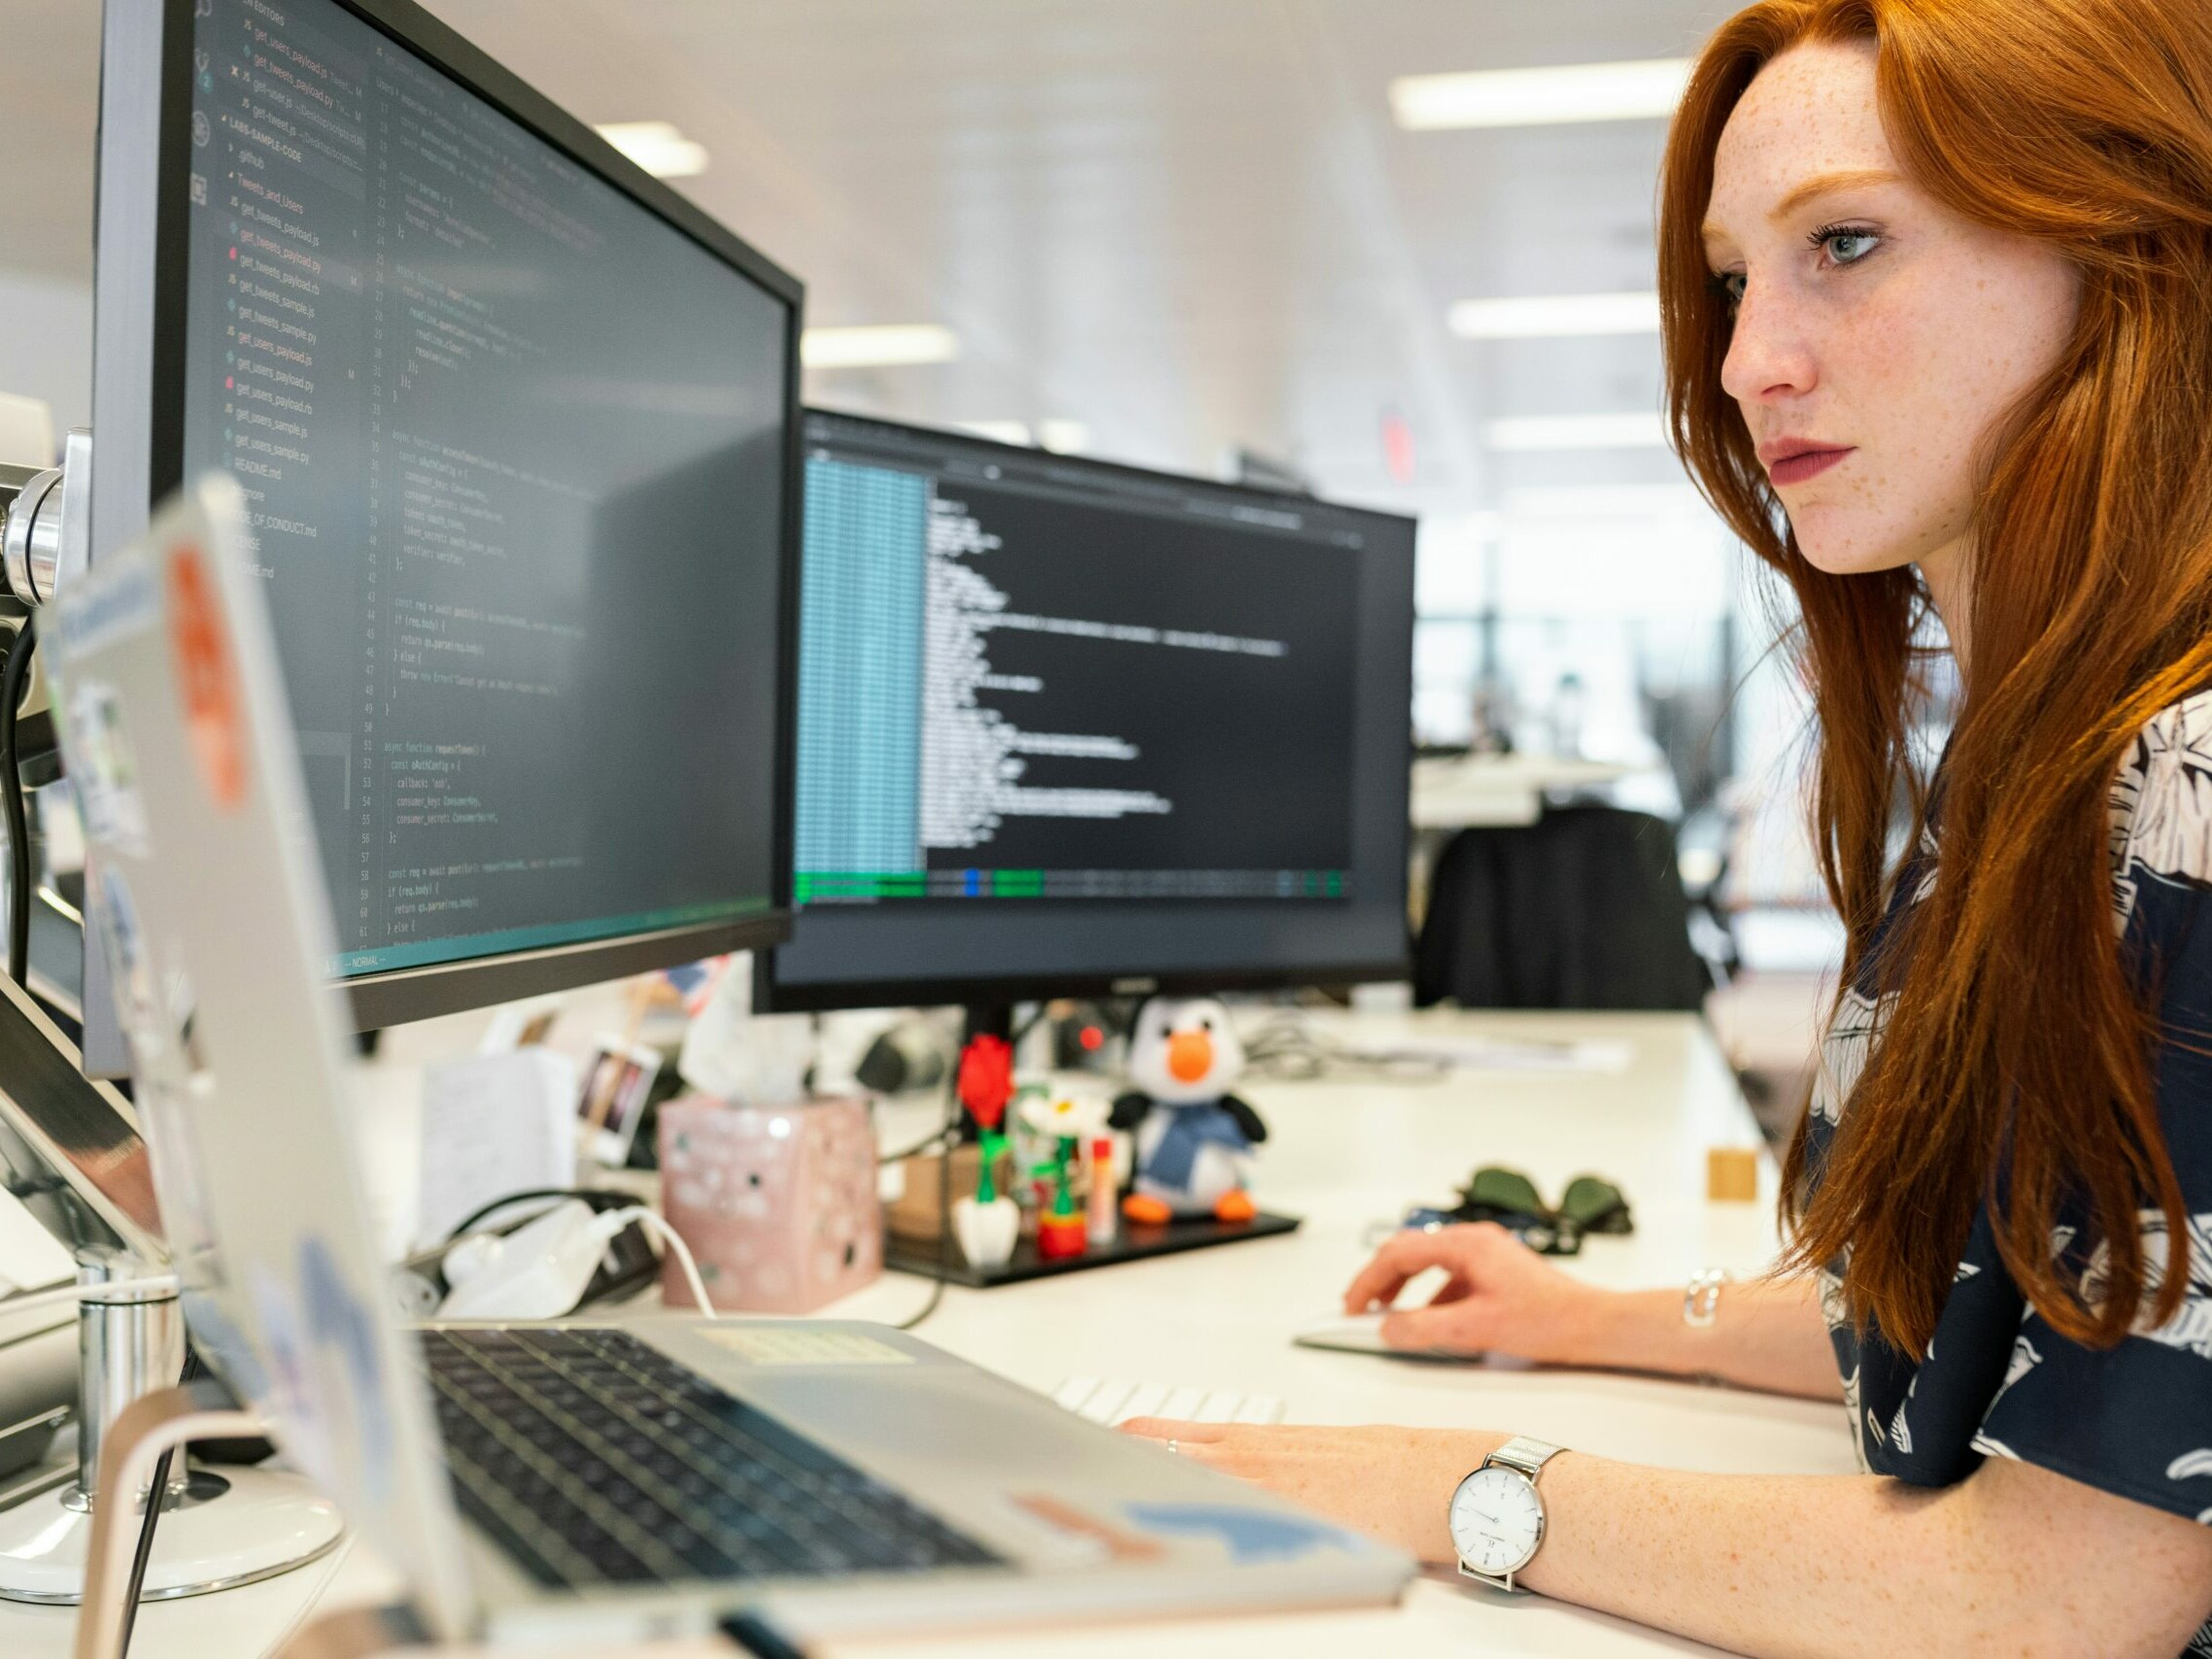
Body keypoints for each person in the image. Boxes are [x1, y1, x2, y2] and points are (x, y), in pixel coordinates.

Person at [1123, 0, 2212, 1649]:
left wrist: (1444, 1490)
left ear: (2122, 252)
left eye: (1844, 243)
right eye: (1729, 281)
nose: (1744, 358)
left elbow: (2064, 1591)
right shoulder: (2028, 778)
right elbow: (2003, 1327)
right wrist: (1591, 1317)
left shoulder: (2185, 790)